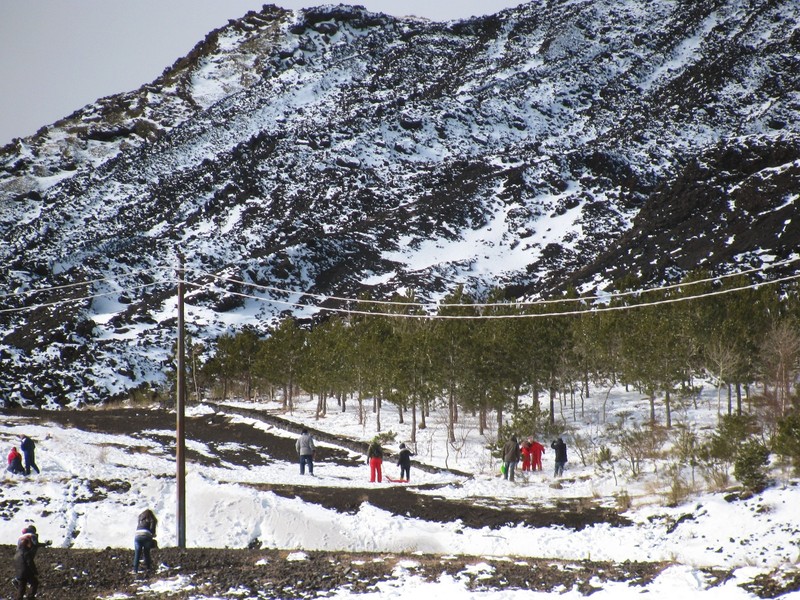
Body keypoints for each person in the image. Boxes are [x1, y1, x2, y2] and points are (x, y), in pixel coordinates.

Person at [13, 525, 40, 600]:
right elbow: (29, 562)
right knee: (34, 583)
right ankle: (30, 597)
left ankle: (19, 598)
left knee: (22, 587)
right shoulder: (31, 536)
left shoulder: (17, 553)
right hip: (26, 571)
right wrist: (35, 572)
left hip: (19, 572)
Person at [133, 509, 158, 574]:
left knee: (137, 553)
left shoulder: (140, 518)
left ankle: (135, 570)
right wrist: (153, 534)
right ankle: (148, 568)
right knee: (146, 552)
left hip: (137, 535)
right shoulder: (152, 519)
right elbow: (152, 530)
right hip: (146, 535)